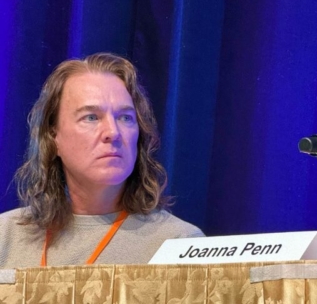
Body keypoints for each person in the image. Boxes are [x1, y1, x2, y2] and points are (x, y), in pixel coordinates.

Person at [0, 53, 204, 268]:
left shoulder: (179, 244)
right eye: (91, 117)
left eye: (125, 117)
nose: (113, 133)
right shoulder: (6, 237)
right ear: (53, 137)